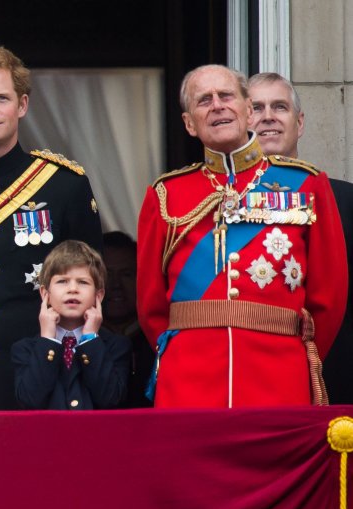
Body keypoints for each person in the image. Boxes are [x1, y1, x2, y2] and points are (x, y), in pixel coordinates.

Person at [137, 64, 347, 407]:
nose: (217, 105)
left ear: (248, 111)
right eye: (204, 100)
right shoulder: (165, 194)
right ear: (190, 124)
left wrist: (294, 357)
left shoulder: (308, 185)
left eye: (226, 96)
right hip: (188, 382)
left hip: (279, 378)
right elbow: (151, 308)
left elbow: (329, 297)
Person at [0, 46, 104, 410]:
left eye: (2, 98)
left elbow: (90, 285)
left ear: (22, 105)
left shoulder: (64, 185)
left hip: (40, 371)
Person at [248, 72, 353, 404]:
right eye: (256, 107)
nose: (268, 116)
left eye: (279, 106)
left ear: (300, 122)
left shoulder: (345, 200)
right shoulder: (217, 201)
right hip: (254, 376)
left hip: (337, 372)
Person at [13, 240, 129, 410]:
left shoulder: (116, 346)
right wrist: (47, 341)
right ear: (45, 293)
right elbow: (30, 399)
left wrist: (90, 339)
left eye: (83, 282)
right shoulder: (25, 349)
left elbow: (111, 398)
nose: (73, 289)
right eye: (62, 281)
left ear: (99, 295)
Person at [101, 231, 155, 407]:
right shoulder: (79, 342)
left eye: (126, 274)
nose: (115, 285)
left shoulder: (158, 341)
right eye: (106, 275)